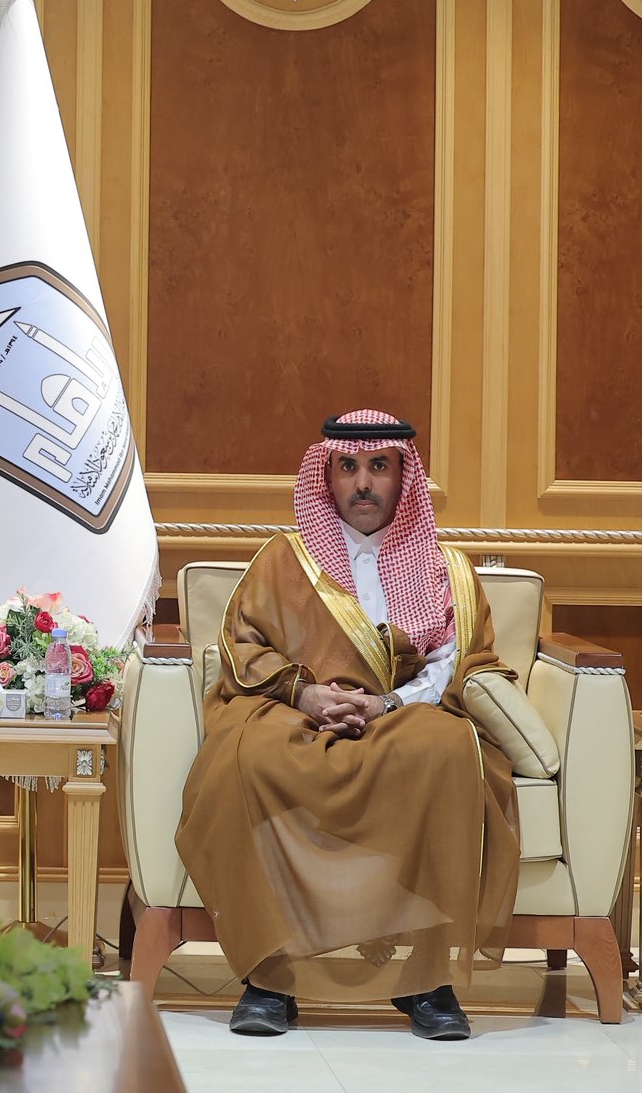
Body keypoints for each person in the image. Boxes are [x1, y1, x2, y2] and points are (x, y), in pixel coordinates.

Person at [175, 410, 520, 1040]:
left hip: (402, 714)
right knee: (250, 754)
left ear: (402, 476)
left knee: (447, 748)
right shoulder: (284, 559)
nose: (363, 483)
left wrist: (388, 704)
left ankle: (427, 981)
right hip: (297, 713)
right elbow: (243, 647)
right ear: (326, 476)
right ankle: (268, 979)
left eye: (379, 467)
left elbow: (457, 661)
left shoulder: (446, 568)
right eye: (349, 467)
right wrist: (305, 694)